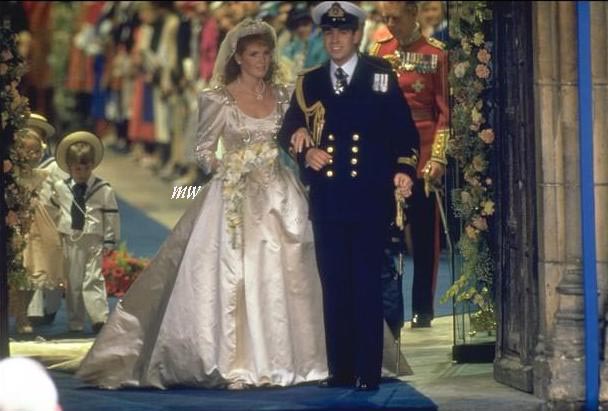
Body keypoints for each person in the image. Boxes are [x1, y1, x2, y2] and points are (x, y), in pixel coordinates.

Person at [76, 18, 328, 390]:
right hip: (233, 193)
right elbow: (203, 150)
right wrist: (230, 166)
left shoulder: (283, 93)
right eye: (254, 54)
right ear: (238, 58)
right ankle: (237, 358)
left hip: (279, 191)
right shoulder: (218, 98)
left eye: (266, 53)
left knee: (294, 264)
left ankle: (301, 355)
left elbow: (293, 136)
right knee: (231, 270)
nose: (262, 60)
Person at [278, 1, 420, 391]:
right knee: (335, 284)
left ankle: (368, 371)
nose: (335, 39)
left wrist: (404, 170)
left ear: (357, 35)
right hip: (328, 199)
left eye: (342, 32)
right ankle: (339, 369)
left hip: (370, 197)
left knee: (366, 283)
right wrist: (304, 149)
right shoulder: (309, 82)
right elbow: (288, 126)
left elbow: (404, 132)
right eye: (329, 32)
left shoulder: (379, 75)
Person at [371, 1, 449, 328]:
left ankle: (422, 307)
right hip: (388, 152)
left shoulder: (436, 54)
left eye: (396, 18)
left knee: (424, 233)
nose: (391, 25)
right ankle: (387, 306)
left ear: (413, 13)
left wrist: (438, 158)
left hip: (423, 149)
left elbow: (445, 113)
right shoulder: (379, 51)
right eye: (386, 18)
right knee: (384, 232)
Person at [51, 131, 120, 333]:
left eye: (86, 167)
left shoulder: (103, 189)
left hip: (94, 238)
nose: (82, 173)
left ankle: (100, 318)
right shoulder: (61, 188)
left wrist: (110, 240)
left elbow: (111, 215)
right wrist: (54, 237)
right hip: (70, 239)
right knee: (73, 282)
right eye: (77, 168)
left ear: (93, 165)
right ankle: (75, 321)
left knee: (94, 278)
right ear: (69, 167)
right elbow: (53, 212)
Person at [24, 113, 67, 326]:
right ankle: (32, 310)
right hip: (26, 223)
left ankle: (51, 306)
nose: (30, 153)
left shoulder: (53, 167)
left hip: (51, 221)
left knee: (52, 262)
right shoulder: (17, 167)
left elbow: (64, 196)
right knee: (30, 264)